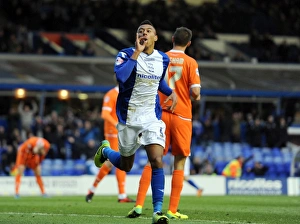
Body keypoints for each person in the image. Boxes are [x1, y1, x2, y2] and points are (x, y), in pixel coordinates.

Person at [93, 20, 177, 224]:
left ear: (155, 37)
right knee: (126, 165)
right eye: (141, 31)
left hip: (152, 116)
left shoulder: (163, 59)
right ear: (137, 37)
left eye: (149, 31)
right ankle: (105, 151)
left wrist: (170, 92)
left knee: (157, 160)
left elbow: (158, 81)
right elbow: (121, 78)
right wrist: (136, 54)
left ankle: (157, 212)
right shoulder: (125, 54)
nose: (144, 33)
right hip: (129, 116)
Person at [127, 27, 201, 220]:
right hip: (181, 115)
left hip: (158, 114)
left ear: (172, 39)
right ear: (189, 43)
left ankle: (139, 205)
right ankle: (172, 209)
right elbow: (195, 92)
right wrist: (195, 95)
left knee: (154, 160)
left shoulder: (160, 57)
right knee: (180, 161)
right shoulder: (191, 62)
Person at [85, 85, 135, 203]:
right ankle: (122, 195)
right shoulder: (111, 94)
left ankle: (92, 190)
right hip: (113, 132)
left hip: (122, 132)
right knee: (121, 160)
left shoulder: (128, 93)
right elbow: (105, 114)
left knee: (109, 164)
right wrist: (118, 125)